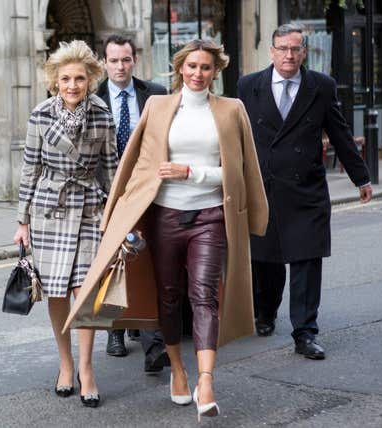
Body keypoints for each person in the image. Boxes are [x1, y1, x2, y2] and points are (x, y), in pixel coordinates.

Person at [64, 39, 267, 420]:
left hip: (209, 215)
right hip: (164, 216)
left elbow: (238, 173)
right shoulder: (157, 107)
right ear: (179, 68)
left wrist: (192, 172)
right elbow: (136, 162)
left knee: (204, 295)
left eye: (205, 67)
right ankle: (177, 369)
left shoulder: (231, 110)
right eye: (191, 66)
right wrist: (118, 213)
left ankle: (205, 381)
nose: (197, 73)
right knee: (169, 298)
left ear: (215, 71)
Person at [236, 23, 373, 360]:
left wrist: (361, 177)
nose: (289, 55)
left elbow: (339, 133)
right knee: (265, 263)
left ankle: (305, 333)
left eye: (296, 48)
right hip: (263, 188)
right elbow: (233, 136)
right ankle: (265, 312)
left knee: (306, 263)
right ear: (271, 51)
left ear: (304, 52)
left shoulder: (320, 87)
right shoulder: (248, 85)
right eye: (282, 48)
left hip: (306, 189)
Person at [13, 40, 117, 408]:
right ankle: (66, 363)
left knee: (85, 294)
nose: (72, 85)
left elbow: (111, 169)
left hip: (89, 208)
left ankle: (87, 369)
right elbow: (30, 168)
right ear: (54, 81)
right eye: (65, 79)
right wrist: (22, 221)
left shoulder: (102, 115)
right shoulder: (40, 114)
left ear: (91, 79)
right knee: (56, 291)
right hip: (49, 210)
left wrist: (116, 215)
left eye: (80, 78)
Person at [95, 35, 169, 372]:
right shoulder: (90, 97)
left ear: (134, 60)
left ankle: (153, 340)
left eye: (126, 60)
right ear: (104, 62)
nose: (120, 67)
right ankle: (116, 330)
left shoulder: (155, 93)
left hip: (148, 191)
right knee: (114, 264)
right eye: (114, 61)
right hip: (107, 194)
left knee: (146, 259)